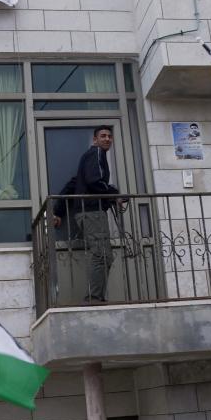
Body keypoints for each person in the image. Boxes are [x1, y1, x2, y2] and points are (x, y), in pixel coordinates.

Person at [57, 126, 121, 302]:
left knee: (104, 255)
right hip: (91, 211)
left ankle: (96, 297)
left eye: (109, 136)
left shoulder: (88, 158)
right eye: (103, 136)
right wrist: (114, 195)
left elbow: (74, 184)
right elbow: (95, 181)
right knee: (101, 255)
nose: (107, 139)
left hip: (86, 212)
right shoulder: (97, 153)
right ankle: (94, 298)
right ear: (95, 140)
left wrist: (57, 211)